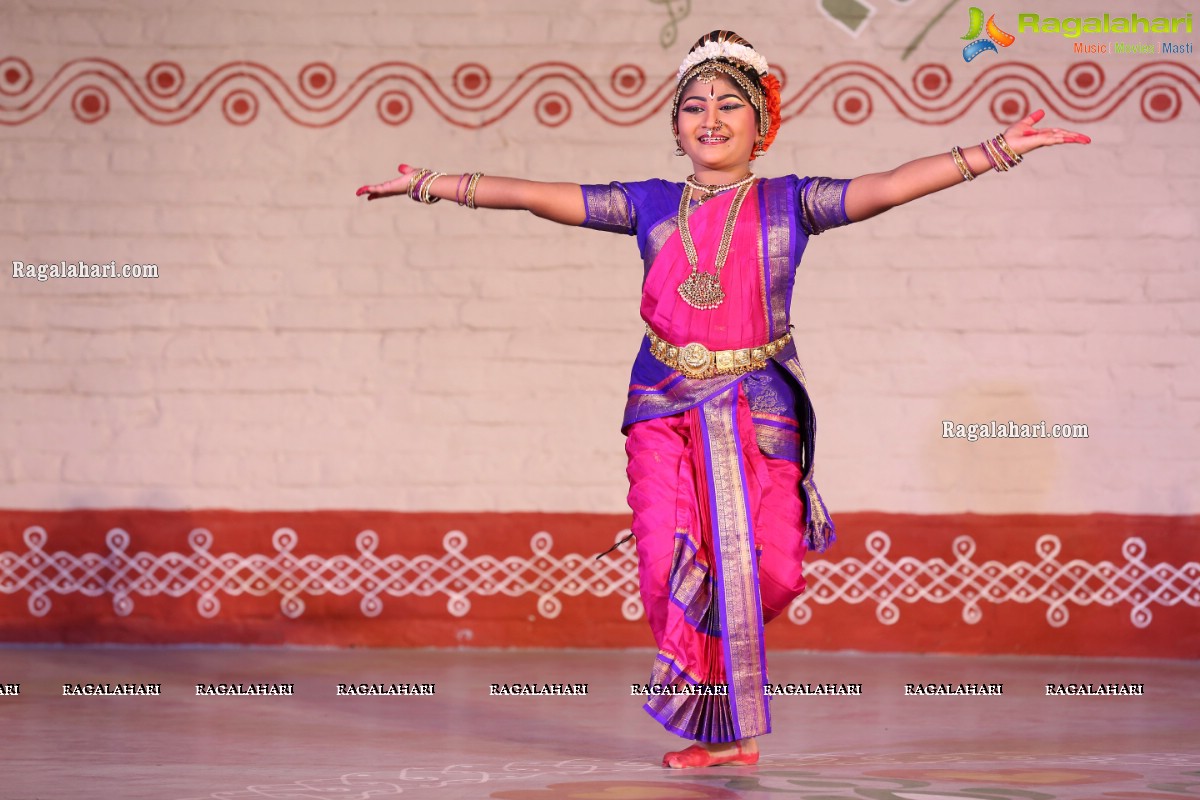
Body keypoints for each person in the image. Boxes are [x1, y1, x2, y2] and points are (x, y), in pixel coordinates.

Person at [356, 30, 1090, 769]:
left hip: (758, 409)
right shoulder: (648, 205)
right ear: (676, 126)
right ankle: (721, 733)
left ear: (761, 123)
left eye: (729, 104)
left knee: (768, 571)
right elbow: (534, 196)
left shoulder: (791, 203)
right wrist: (431, 184)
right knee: (661, 564)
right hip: (665, 404)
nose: (710, 118)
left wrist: (998, 149)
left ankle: (728, 710)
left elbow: (891, 185)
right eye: (694, 106)